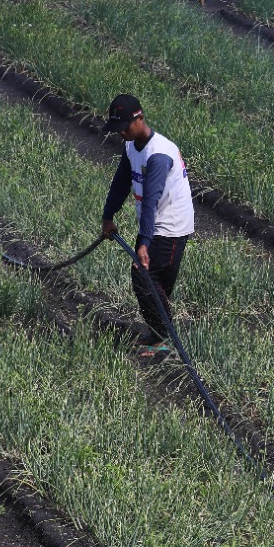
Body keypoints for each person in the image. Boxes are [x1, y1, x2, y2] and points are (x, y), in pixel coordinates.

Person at [99, 95, 194, 356]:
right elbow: (121, 183)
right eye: (118, 127)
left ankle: (165, 339)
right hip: (156, 222)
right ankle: (160, 335)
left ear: (140, 118)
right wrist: (108, 216)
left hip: (172, 225)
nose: (121, 132)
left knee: (144, 276)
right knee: (156, 284)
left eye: (125, 126)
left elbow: (151, 199)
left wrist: (143, 244)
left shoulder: (159, 154)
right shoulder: (131, 146)